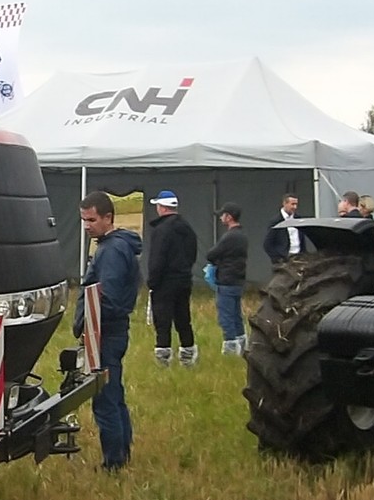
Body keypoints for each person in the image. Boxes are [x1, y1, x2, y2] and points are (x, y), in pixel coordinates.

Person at [74, 190, 140, 467]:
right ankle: (121, 454)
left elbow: (107, 298)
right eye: (83, 220)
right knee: (115, 395)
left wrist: (90, 327)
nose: (87, 226)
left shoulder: (112, 250)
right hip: (110, 331)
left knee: (105, 400)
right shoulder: (112, 245)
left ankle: (113, 463)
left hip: (105, 333)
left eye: (91, 219)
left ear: (108, 217)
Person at [145, 191, 200, 366]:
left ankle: (163, 359)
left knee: (163, 321)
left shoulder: (161, 230)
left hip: (164, 282)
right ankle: (188, 355)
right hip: (184, 280)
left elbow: (157, 258)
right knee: (184, 319)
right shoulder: (187, 227)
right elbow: (193, 253)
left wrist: (152, 282)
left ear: (161, 207)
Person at [206, 203, 249, 355]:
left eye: (222, 215)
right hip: (238, 280)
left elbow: (211, 254)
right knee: (237, 315)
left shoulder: (229, 237)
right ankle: (243, 344)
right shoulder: (242, 236)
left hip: (226, 281)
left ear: (229, 217)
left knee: (226, 317)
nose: (221, 217)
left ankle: (230, 349)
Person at [263, 190, 303, 266]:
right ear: (285, 203)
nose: (295, 207)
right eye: (292, 204)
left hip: (298, 258)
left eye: (296, 204)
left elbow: (302, 240)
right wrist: (278, 259)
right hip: (284, 260)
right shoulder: (276, 221)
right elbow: (267, 244)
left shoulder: (298, 219)